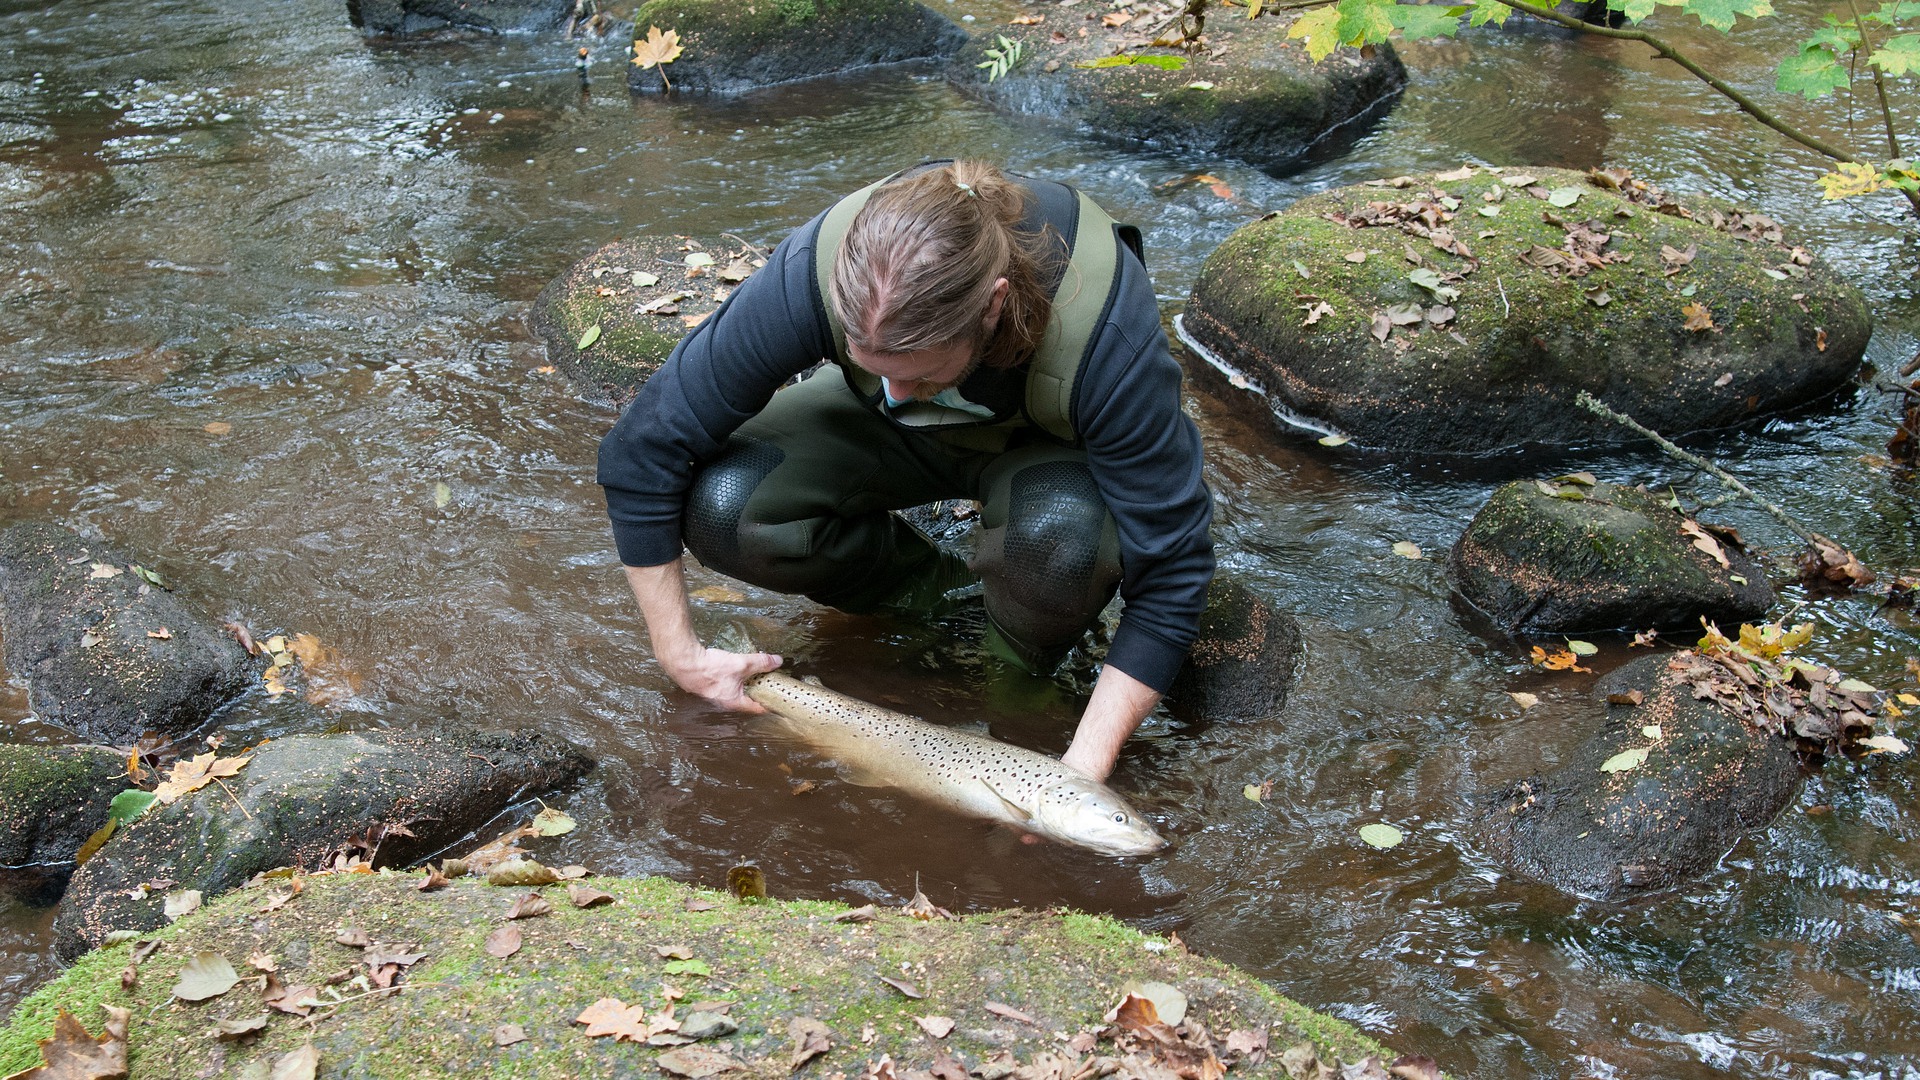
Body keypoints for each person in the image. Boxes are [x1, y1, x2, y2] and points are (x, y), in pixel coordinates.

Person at [596, 160, 1212, 783]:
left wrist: (1082, 768)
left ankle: (1019, 673)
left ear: (993, 307)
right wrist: (681, 654)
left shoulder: (1110, 337)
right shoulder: (821, 268)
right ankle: (946, 599)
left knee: (1059, 541)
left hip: (1047, 451)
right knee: (726, 504)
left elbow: (1173, 571)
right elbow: (643, 447)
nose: (892, 391)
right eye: (873, 366)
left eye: (917, 371)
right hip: (898, 443)